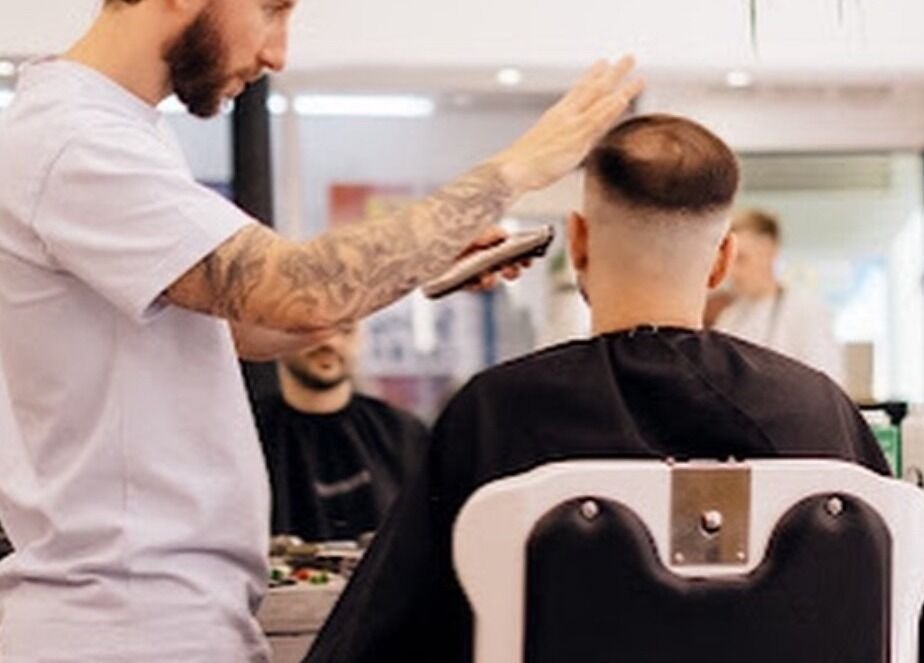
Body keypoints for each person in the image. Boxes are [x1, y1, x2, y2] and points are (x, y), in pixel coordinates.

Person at [0, 0, 645, 660]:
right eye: (271, 9)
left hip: (160, 615)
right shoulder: (75, 142)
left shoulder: (119, 132)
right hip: (120, 625)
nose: (278, 52)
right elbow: (296, 290)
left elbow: (240, 327)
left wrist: (415, 257)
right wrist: (514, 170)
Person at [304, 114, 889, 663]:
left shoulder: (496, 415)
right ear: (722, 261)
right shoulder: (819, 413)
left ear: (578, 242)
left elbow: (377, 641)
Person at [256, 326, 428, 542]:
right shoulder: (247, 435)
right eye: (310, 329)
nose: (330, 342)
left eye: (345, 330)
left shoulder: (403, 431)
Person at [708, 208, 845, 385]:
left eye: (741, 259)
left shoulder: (804, 309)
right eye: (730, 261)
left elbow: (828, 385)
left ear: (769, 251)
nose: (732, 272)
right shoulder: (731, 316)